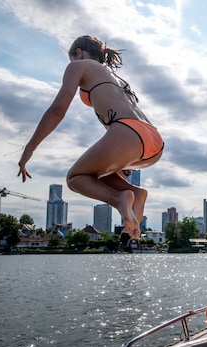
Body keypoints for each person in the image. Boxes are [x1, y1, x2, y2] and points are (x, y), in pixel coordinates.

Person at [18, 35, 164, 238]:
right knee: (99, 174)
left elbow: (57, 110)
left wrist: (29, 148)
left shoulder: (79, 65)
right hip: (152, 141)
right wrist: (124, 161)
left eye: (72, 59)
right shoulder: (114, 77)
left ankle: (120, 197)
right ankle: (135, 196)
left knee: (75, 178)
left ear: (78, 53)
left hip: (127, 133)